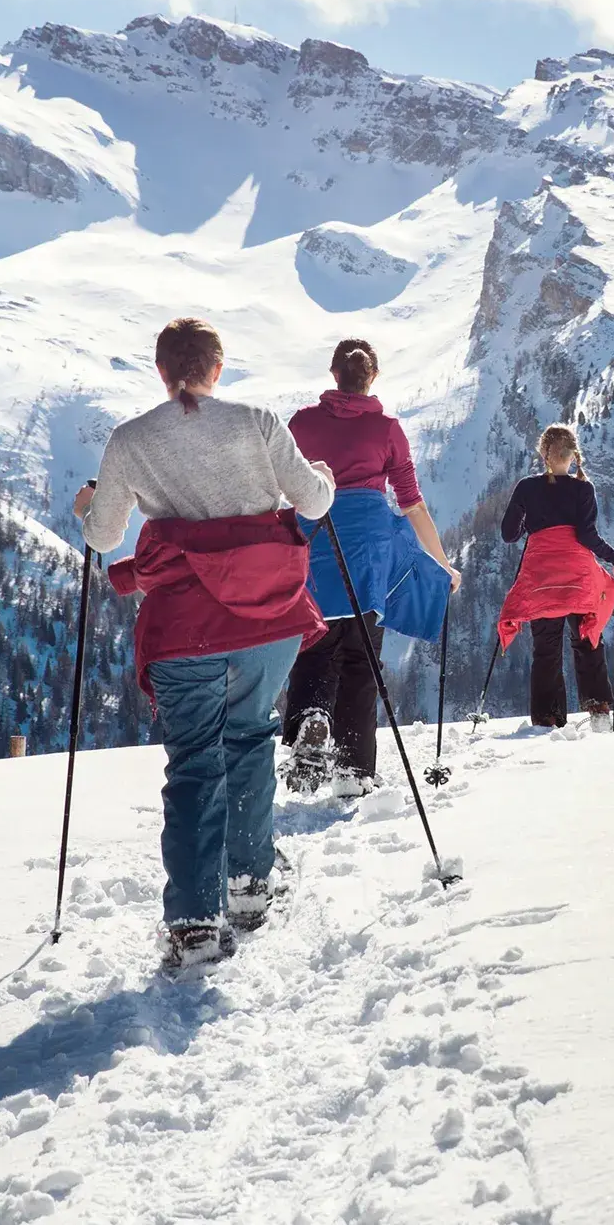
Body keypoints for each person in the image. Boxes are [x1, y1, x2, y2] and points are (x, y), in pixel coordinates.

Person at [75, 318, 336, 972]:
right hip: (268, 620)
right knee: (249, 737)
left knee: (195, 763)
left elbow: (105, 539)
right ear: (217, 369)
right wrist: (322, 477)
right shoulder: (258, 421)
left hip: (185, 626)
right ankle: (249, 884)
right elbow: (313, 503)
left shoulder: (131, 440)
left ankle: (195, 922)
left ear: (163, 372)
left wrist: (87, 507)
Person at [280, 339, 456, 794]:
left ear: (333, 374)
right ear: (372, 377)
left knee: (315, 645)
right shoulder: (387, 430)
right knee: (362, 660)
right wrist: (441, 565)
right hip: (371, 556)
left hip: (316, 540)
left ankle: (311, 718)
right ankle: (355, 773)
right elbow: (412, 504)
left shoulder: (301, 424)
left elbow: (280, 487)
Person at [496, 424, 614, 728]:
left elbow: (509, 535)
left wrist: (527, 523)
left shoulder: (527, 487)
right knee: (586, 637)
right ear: (573, 455)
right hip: (578, 576)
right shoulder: (583, 488)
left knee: (546, 646)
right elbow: (587, 536)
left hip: (542, 578)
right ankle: (597, 707)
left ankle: (547, 718)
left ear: (543, 453)